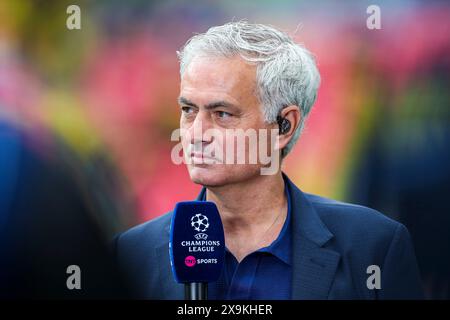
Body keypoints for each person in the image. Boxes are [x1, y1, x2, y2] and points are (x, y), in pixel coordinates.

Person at [115, 21, 424, 299]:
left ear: (283, 126)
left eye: (222, 114)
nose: (196, 134)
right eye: (188, 110)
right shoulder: (131, 255)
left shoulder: (372, 246)